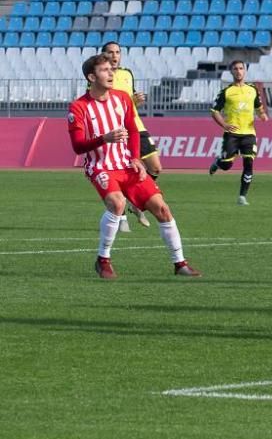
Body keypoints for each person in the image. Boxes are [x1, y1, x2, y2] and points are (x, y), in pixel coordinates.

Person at [68, 52, 201, 279]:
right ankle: (103, 260)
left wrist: (136, 158)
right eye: (104, 70)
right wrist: (104, 138)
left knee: (162, 209)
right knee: (117, 204)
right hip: (101, 166)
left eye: (112, 69)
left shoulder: (121, 98)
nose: (111, 73)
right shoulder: (78, 107)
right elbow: (78, 147)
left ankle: (180, 264)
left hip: (126, 165)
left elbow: (132, 130)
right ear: (91, 77)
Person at [101, 41, 160, 231]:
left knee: (156, 167)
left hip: (136, 126)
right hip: (116, 131)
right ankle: (122, 215)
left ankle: (133, 200)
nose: (114, 55)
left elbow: (130, 103)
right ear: (104, 55)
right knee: (119, 172)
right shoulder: (100, 76)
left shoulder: (127, 74)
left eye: (117, 52)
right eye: (110, 52)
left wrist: (136, 101)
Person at [208, 59, 269, 205]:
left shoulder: (252, 89)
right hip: (232, 134)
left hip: (249, 133)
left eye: (241, 68)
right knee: (227, 165)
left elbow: (259, 107)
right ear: (231, 72)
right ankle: (218, 162)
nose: (239, 71)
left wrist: (262, 115)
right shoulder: (226, 92)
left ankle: (242, 196)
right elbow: (214, 111)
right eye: (235, 69)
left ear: (245, 71)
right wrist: (224, 125)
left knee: (249, 163)